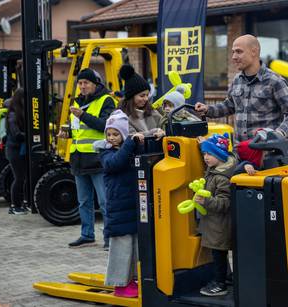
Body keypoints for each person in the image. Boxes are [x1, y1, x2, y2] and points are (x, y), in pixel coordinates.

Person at [194, 34, 288, 142]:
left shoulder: (274, 80)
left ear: (254, 52)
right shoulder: (237, 80)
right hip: (240, 151)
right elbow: (229, 106)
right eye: (233, 52)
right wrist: (207, 109)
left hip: (267, 153)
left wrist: (279, 134)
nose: (234, 57)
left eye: (239, 51)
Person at [60, 68, 117, 249]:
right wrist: (67, 132)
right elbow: (80, 130)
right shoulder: (78, 102)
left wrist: (82, 115)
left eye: (86, 83)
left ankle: (110, 238)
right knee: (84, 201)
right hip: (78, 158)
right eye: (80, 83)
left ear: (95, 84)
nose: (82, 86)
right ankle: (87, 235)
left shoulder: (106, 100)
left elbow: (105, 126)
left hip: (98, 158)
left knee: (104, 201)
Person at [94, 110, 141, 298]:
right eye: (109, 134)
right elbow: (115, 163)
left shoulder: (130, 148)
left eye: (116, 134)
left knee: (134, 246)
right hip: (118, 209)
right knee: (121, 248)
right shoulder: (105, 153)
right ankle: (119, 285)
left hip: (132, 206)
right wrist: (129, 142)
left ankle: (131, 280)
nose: (112, 138)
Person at [195, 134, 237, 296]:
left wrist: (206, 201)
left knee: (218, 255)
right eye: (204, 154)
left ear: (219, 156)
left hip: (219, 225)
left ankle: (220, 284)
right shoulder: (219, 167)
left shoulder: (221, 177)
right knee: (219, 254)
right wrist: (204, 146)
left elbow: (224, 203)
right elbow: (214, 154)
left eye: (209, 154)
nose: (205, 158)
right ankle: (227, 277)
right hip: (216, 224)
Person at [118, 64, 165, 139]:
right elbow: (131, 137)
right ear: (131, 96)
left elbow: (166, 126)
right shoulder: (122, 117)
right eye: (142, 96)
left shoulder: (153, 112)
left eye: (147, 95)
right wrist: (155, 132)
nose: (146, 99)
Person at [5, 88, 28, 215]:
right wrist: (31, 136)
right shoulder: (13, 114)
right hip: (14, 150)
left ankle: (22, 203)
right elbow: (16, 134)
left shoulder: (19, 112)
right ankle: (14, 207)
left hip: (19, 150)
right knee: (19, 178)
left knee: (23, 178)